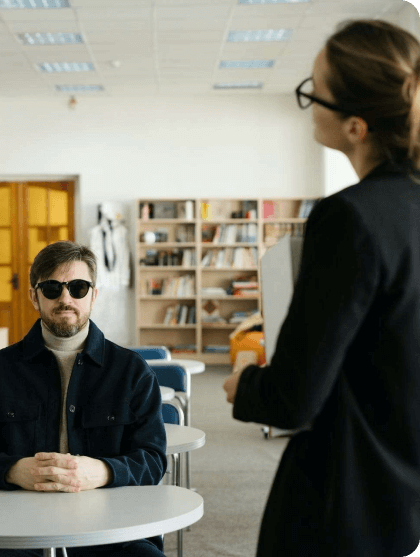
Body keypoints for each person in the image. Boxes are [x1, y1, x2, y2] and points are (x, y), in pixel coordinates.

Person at [223, 19, 420, 557]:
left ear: (356, 126)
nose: (308, 105)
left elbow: (294, 398)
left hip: (353, 500)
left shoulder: (350, 219)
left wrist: (245, 383)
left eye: (314, 93)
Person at [0, 241, 167, 557]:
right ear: (33, 295)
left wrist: (103, 471)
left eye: (78, 288)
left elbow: (153, 459)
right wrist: (14, 470)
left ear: (94, 295)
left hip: (113, 530)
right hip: (18, 529)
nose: (65, 298)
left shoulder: (132, 371)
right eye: (52, 288)